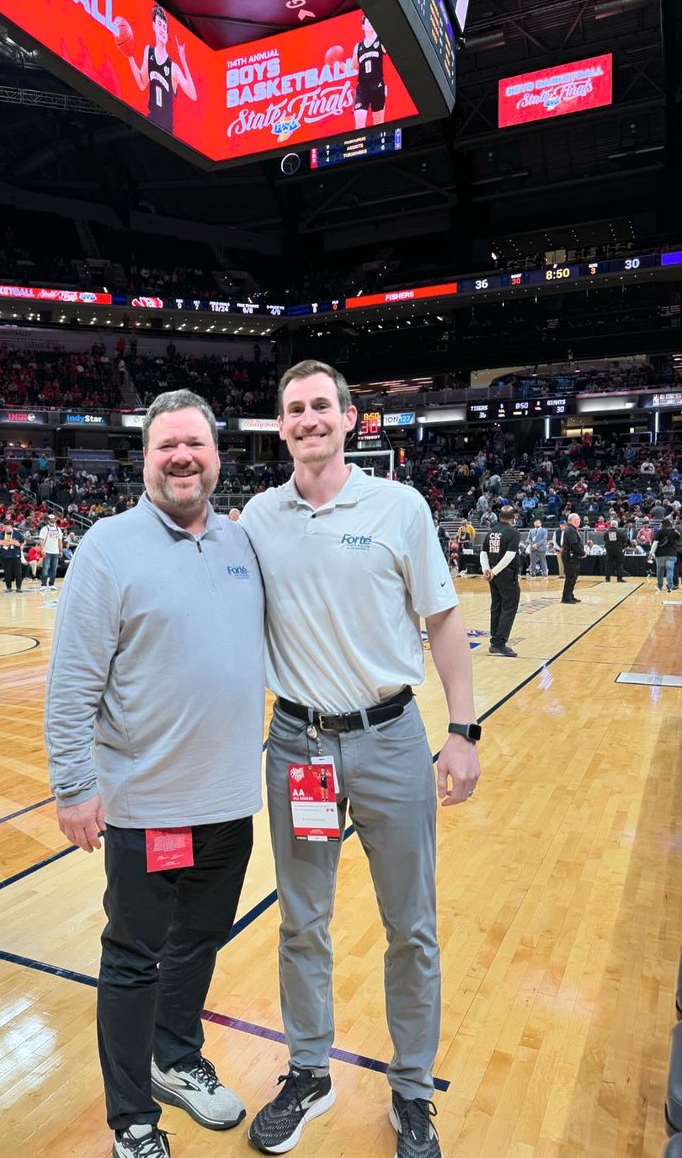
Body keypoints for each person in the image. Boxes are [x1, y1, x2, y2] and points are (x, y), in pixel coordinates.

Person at [240, 361, 480, 1158]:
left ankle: (412, 1091)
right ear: (281, 428)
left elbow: (442, 619)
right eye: (294, 409)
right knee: (301, 922)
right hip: (297, 745)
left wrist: (464, 730)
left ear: (349, 419)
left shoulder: (399, 507)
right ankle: (309, 1072)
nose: (308, 419)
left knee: (411, 926)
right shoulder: (257, 519)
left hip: (390, 740)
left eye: (321, 406)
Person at [44, 390, 265, 1158]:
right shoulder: (108, 546)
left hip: (230, 806)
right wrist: (73, 787)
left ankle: (176, 1057)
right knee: (135, 958)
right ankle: (132, 1119)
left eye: (195, 445)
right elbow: (72, 679)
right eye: (166, 445)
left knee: (200, 943)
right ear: (145, 457)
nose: (181, 457)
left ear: (216, 456)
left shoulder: (241, 543)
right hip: (152, 813)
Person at [123, 5, 197, 135]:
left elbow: (193, 95)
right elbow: (141, 83)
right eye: (159, 24)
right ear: (154, 26)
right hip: (151, 122)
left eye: (164, 27)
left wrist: (183, 60)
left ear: (167, 35)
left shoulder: (173, 67)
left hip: (167, 132)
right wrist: (130, 57)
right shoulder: (148, 51)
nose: (162, 29)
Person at [480, 505, 522, 657]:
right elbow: (510, 555)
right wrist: (494, 571)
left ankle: (494, 641)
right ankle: (499, 643)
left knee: (496, 606)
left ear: (499, 517)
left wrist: (487, 570)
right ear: (513, 518)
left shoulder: (491, 532)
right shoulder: (513, 533)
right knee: (509, 606)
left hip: (493, 575)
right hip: (505, 574)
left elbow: (483, 552)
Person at [354, 11, 386, 129]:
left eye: (371, 22)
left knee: (379, 123)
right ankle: (359, 143)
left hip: (377, 85)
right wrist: (338, 63)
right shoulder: (358, 46)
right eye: (367, 22)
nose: (369, 24)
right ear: (363, 26)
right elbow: (353, 67)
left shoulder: (380, 41)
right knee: (359, 125)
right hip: (363, 87)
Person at [560, 512, 585, 603]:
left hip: (574, 556)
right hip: (570, 557)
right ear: (574, 520)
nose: (579, 521)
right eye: (578, 519)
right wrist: (582, 553)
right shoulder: (570, 530)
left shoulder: (572, 529)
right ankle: (566, 598)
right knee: (570, 577)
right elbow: (574, 544)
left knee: (573, 577)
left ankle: (570, 595)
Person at [651, 517, 680, 593]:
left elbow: (655, 543)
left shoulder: (659, 532)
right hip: (671, 554)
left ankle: (659, 586)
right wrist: (674, 529)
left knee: (660, 570)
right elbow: (679, 537)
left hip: (660, 555)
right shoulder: (674, 532)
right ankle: (670, 586)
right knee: (670, 570)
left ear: (662, 524)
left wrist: (651, 553)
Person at [0, 519, 25, 593]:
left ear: (10, 526)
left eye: (6, 526)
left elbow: (21, 542)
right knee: (7, 572)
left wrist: (18, 544)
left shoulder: (17, 533)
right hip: (6, 555)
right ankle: (8, 587)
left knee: (18, 572)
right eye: (4, 526)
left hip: (15, 554)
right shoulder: (2, 533)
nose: (5, 528)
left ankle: (18, 587)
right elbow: (0, 542)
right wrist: (11, 542)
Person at [41, 515, 63, 590]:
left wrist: (60, 550)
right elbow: (41, 541)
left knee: (54, 569)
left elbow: (60, 540)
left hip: (56, 552)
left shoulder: (58, 529)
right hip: (47, 551)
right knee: (45, 568)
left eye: (54, 519)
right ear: (48, 520)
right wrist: (42, 550)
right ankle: (43, 584)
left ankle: (51, 584)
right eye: (51, 519)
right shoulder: (45, 529)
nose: (53, 520)